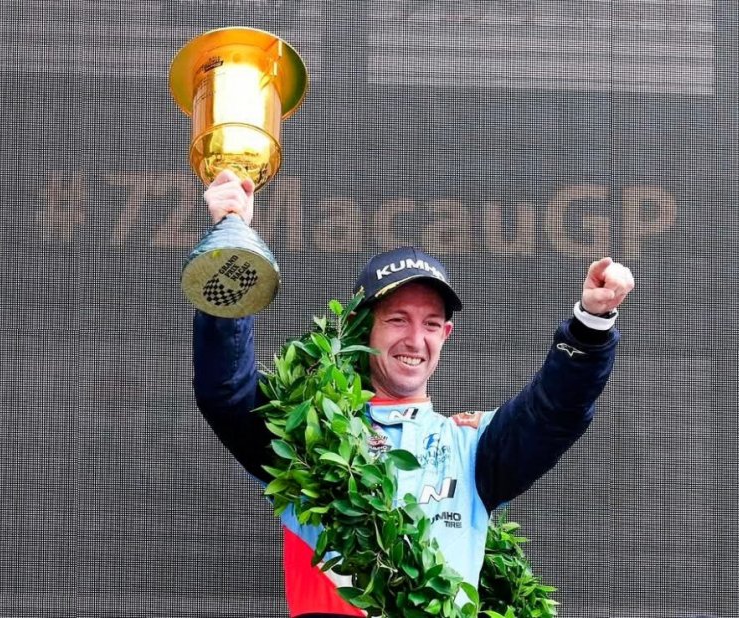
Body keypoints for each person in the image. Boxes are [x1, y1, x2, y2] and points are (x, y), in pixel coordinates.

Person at [193, 170, 635, 617]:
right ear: (362, 328)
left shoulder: (470, 446)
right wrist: (234, 246)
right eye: (397, 319)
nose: (414, 339)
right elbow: (226, 391)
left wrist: (591, 324)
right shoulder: (304, 437)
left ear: (446, 334)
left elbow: (553, 412)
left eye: (429, 324)